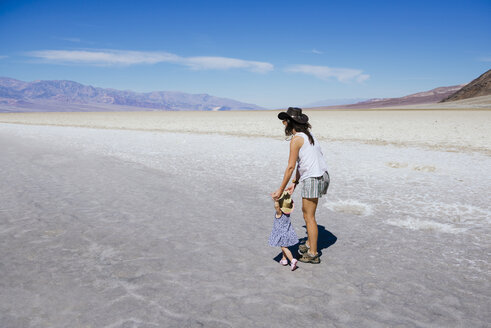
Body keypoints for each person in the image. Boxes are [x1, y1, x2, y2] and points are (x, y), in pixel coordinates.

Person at [271, 107, 329, 264]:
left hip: (313, 178)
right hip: (322, 176)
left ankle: (313, 253)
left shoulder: (296, 139)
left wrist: (281, 190)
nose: (283, 125)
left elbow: (290, 167)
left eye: (284, 121)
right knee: (307, 214)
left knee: (308, 216)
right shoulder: (308, 136)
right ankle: (310, 243)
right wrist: (294, 183)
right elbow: (302, 163)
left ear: (290, 123)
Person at [269, 191, 298, 271]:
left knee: (284, 247)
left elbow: (277, 207)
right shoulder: (287, 213)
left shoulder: (279, 213)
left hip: (281, 234)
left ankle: (292, 260)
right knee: (284, 246)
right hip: (288, 232)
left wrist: (276, 200)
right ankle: (284, 260)